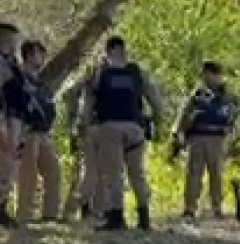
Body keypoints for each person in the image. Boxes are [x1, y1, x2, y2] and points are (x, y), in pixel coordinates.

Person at [84, 35, 165, 231]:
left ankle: (116, 217)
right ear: (123, 50)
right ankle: (144, 217)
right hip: (135, 128)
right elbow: (155, 99)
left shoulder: (100, 73)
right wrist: (157, 121)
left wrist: (86, 125)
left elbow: (90, 100)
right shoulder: (137, 72)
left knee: (114, 174)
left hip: (110, 127)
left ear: (108, 51)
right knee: (137, 173)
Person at [172, 61, 239, 222]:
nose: (209, 78)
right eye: (206, 74)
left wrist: (232, 137)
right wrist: (178, 133)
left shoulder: (227, 97)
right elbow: (184, 115)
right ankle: (190, 207)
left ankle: (216, 207)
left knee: (216, 174)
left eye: (212, 74)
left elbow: (233, 118)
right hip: (198, 137)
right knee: (194, 173)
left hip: (218, 138)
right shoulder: (197, 95)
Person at [15, 39, 61, 224]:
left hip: (43, 133)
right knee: (28, 175)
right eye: (36, 53)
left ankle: (50, 214)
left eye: (41, 53)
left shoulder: (42, 83)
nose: (40, 57)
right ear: (28, 55)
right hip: (26, 132)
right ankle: (24, 215)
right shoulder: (18, 79)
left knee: (53, 171)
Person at [61, 58, 106, 222]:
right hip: (100, 128)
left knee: (91, 171)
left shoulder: (88, 77)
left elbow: (69, 94)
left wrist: (74, 119)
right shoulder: (107, 76)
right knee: (99, 172)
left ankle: (90, 210)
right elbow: (69, 94)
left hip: (86, 127)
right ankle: (91, 208)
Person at [0, 21, 28, 228]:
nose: (15, 42)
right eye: (11, 38)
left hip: (16, 118)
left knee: (10, 166)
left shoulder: (13, 63)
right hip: (4, 117)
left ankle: (2, 207)